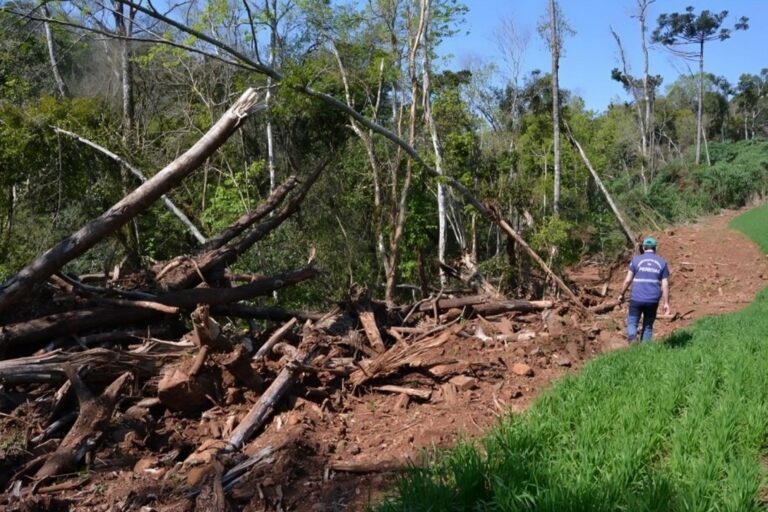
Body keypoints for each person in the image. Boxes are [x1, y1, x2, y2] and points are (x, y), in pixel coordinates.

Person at [616, 236, 670, 343]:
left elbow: (627, 280)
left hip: (637, 298)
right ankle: (645, 351)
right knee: (648, 325)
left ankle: (632, 338)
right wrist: (666, 302)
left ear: (644, 248)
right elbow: (665, 284)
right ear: (655, 248)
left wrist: (621, 293)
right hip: (653, 299)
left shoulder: (636, 260)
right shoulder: (662, 262)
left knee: (632, 322)